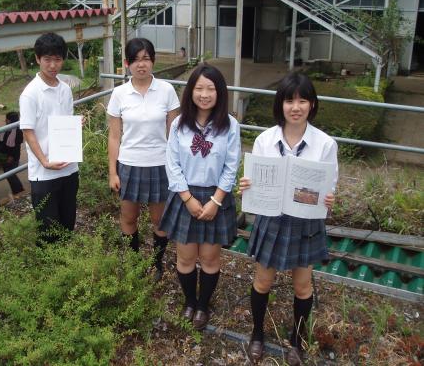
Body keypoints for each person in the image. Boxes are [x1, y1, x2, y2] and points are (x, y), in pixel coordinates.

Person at [239, 72, 338, 365]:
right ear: (280, 104)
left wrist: (329, 199)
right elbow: (254, 181)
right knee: (262, 281)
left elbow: (329, 188)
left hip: (305, 221)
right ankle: (257, 334)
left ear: (312, 104)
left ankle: (297, 341)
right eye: (289, 100)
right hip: (272, 218)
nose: (296, 107)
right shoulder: (264, 140)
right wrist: (248, 186)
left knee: (303, 286)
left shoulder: (325, 144)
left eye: (302, 100)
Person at [159, 64, 241, 330]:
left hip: (216, 197)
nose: (204, 94)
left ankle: (203, 306)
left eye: (211, 89)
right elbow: (172, 164)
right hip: (186, 196)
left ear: (220, 93)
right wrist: (187, 198)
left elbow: (231, 166)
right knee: (184, 257)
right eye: (199, 88)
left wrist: (216, 201)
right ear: (190, 91)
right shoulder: (179, 124)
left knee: (209, 259)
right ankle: (189, 302)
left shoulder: (230, 126)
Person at [107, 38, 180, 280]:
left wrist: (177, 168)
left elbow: (174, 134)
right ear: (127, 63)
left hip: (160, 164)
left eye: (146, 59)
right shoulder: (119, 94)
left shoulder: (167, 90)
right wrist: (113, 172)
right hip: (129, 164)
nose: (141, 65)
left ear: (153, 61)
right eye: (136, 60)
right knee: (129, 217)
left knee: (159, 219)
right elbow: (115, 137)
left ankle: (156, 263)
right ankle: (135, 263)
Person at [19, 32, 79, 243]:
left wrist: (75, 127)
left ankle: (66, 268)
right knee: (48, 230)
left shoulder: (65, 90)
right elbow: (28, 131)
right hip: (44, 173)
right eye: (47, 59)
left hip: (69, 167)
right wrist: (44, 161)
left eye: (57, 59)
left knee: (67, 224)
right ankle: (50, 273)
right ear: (37, 59)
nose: (53, 65)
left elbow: (64, 122)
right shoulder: (30, 93)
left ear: (63, 59)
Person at [0, 111, 25, 198]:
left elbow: (16, 147)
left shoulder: (18, 132)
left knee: (10, 174)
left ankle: (18, 190)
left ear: (11, 121)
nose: (5, 120)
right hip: (4, 156)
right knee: (8, 174)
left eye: (7, 119)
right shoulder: (6, 129)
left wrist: (11, 157)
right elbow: (0, 142)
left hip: (12, 157)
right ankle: (17, 190)